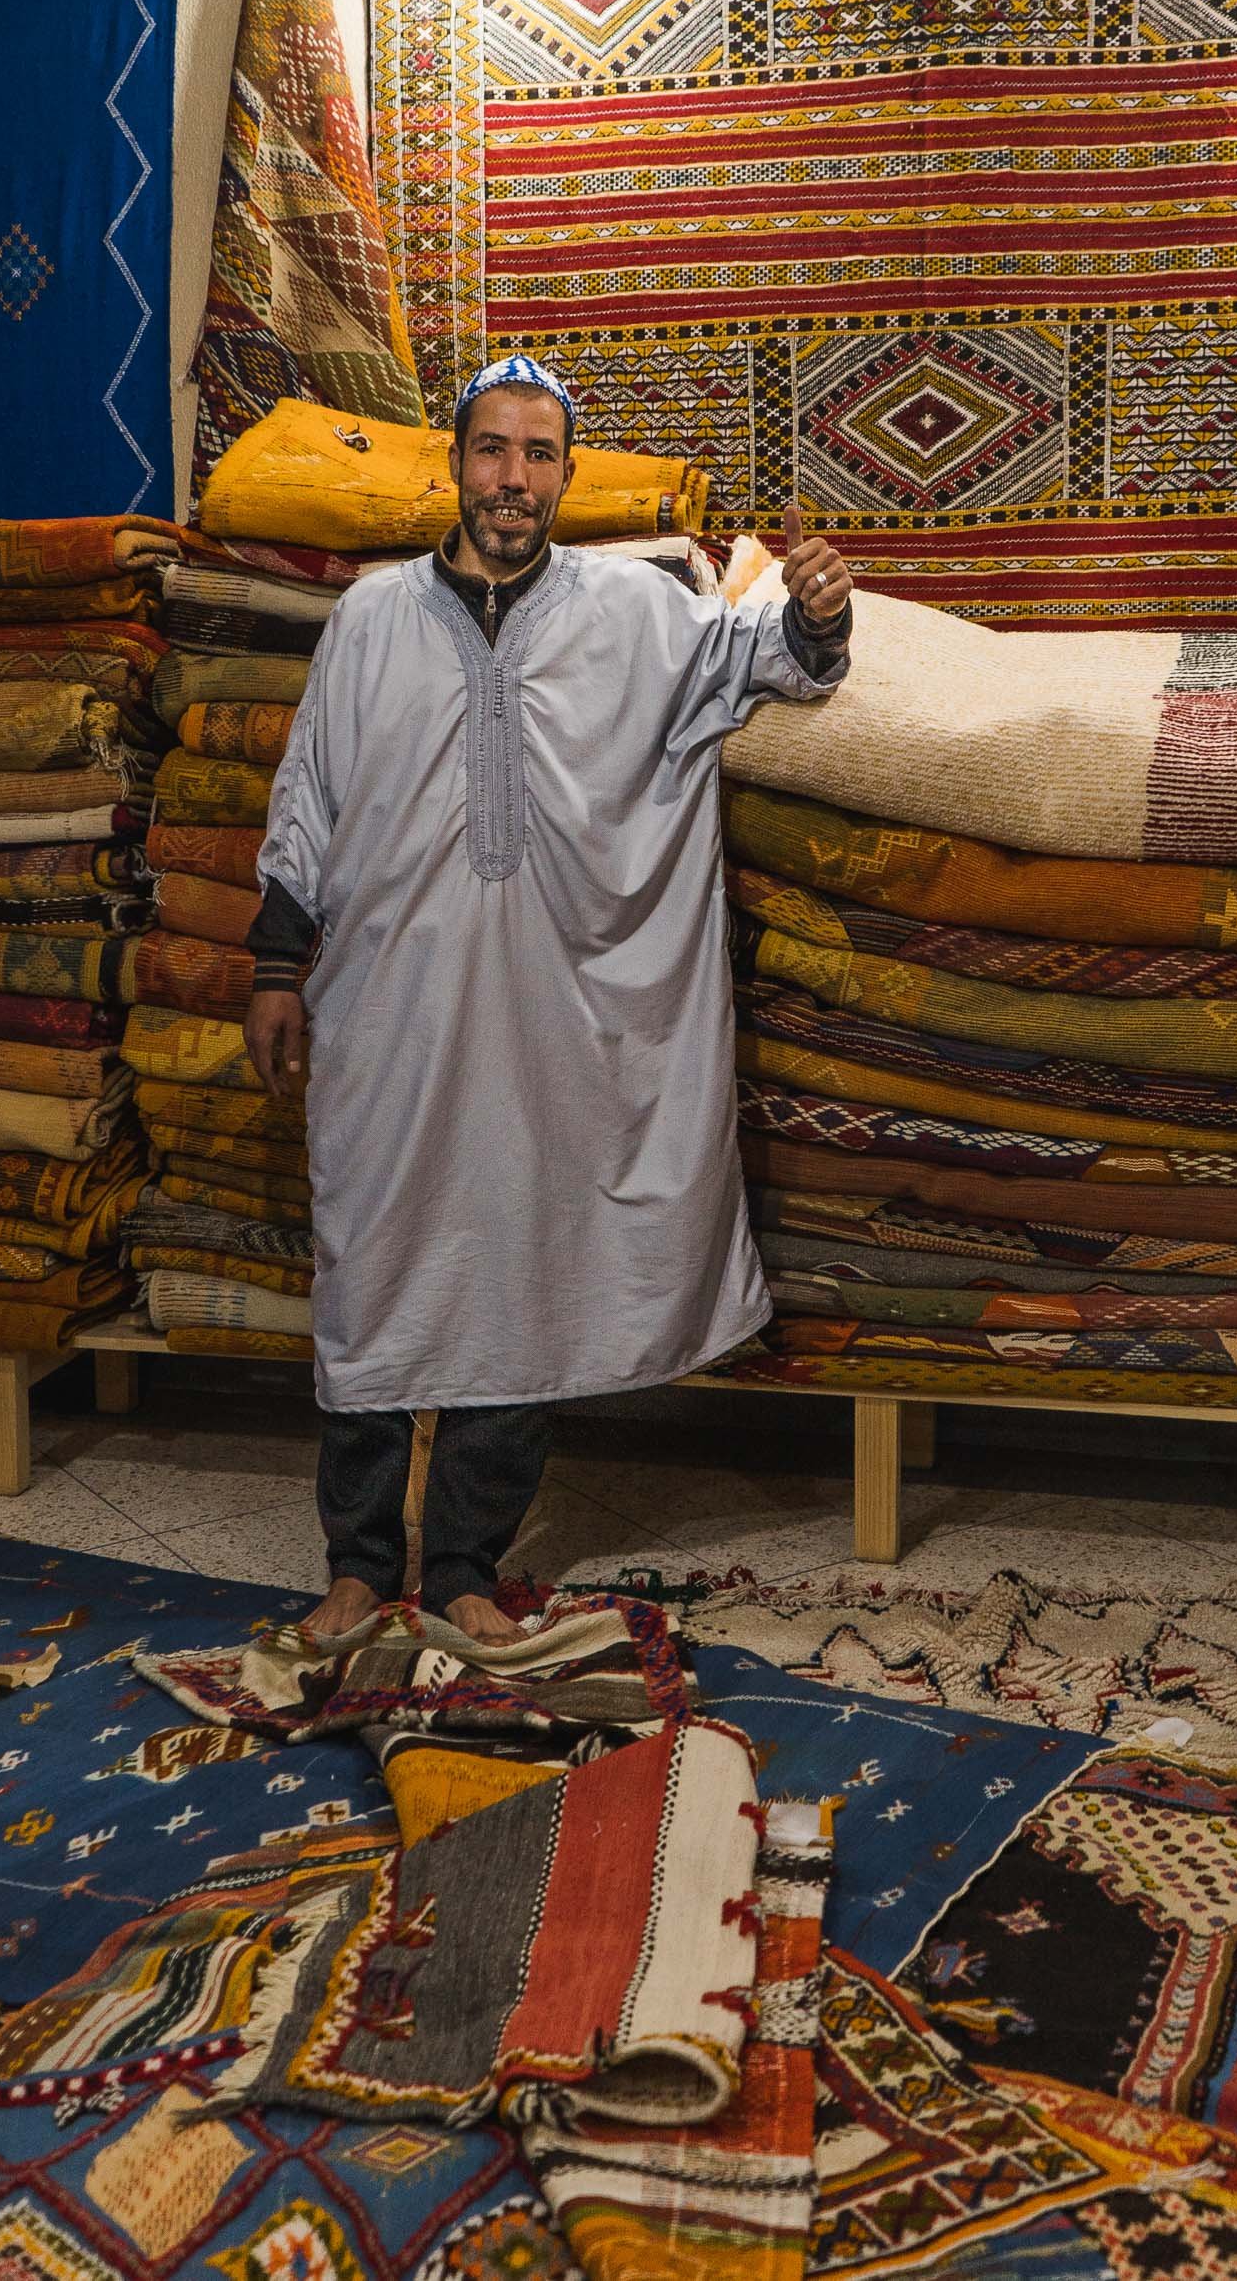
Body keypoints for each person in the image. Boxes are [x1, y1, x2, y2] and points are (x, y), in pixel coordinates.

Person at [243, 356, 853, 1644]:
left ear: (566, 476)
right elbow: (311, 798)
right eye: (491, 451)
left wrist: (815, 614)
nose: (512, 478)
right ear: (454, 465)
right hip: (388, 1006)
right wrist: (277, 967)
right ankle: (357, 1561)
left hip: (546, 1014)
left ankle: (464, 1561)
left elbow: (768, 665)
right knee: (373, 1259)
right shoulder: (369, 617)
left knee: (511, 1266)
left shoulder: (634, 613)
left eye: (537, 455)